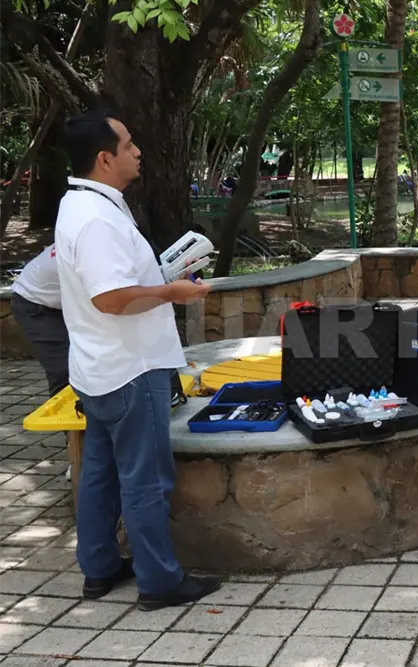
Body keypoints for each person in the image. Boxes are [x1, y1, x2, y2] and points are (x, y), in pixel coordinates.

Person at [54, 109, 220, 610]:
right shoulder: (98, 219)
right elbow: (110, 297)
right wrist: (172, 292)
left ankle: (100, 567)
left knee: (101, 474)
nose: (138, 151)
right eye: (128, 145)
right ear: (105, 159)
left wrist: (161, 285)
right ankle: (159, 581)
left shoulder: (79, 205)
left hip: (98, 368)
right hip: (129, 369)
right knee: (145, 478)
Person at [10, 245, 69, 399]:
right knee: (63, 367)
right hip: (33, 303)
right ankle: (61, 417)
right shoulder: (92, 248)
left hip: (58, 302)